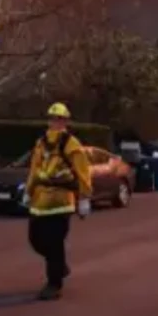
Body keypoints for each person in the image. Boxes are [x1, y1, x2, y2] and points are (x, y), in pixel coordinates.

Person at [23, 102, 93, 301]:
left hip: (61, 201)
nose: (55, 122)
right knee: (35, 240)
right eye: (53, 118)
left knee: (54, 243)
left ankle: (54, 284)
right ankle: (60, 266)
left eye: (59, 119)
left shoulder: (71, 144)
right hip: (40, 201)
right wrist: (29, 191)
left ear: (66, 121)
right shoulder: (41, 142)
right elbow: (34, 169)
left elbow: (83, 172)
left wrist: (84, 198)